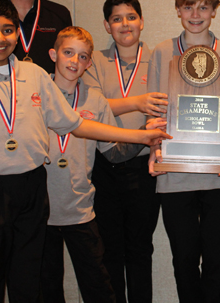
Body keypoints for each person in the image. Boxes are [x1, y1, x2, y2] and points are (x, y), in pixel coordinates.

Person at [0, 0, 169, 303]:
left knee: (29, 286)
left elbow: (76, 124)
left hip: (34, 191)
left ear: (17, 35)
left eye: (7, 30)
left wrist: (139, 137)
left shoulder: (33, 76)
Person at [41, 26, 167, 303]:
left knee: (99, 289)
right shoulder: (36, 96)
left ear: (89, 63)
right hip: (40, 210)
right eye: (68, 53)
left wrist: (146, 136)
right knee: (46, 290)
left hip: (80, 209)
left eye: (83, 56)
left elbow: (113, 153)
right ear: (54, 54)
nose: (75, 61)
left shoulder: (95, 100)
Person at [147, 0, 220, 303]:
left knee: (218, 261)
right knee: (184, 259)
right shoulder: (162, 52)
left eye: (203, 7)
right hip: (175, 173)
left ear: (214, 11)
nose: (196, 13)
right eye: (188, 6)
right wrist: (154, 149)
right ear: (178, 10)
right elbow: (154, 114)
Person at [82, 0, 168, 303]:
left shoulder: (159, 59)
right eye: (116, 19)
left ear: (142, 21)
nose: (125, 24)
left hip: (144, 167)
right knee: (109, 251)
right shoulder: (94, 62)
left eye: (131, 17)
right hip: (104, 166)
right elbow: (91, 108)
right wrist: (136, 102)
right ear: (107, 25)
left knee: (140, 250)